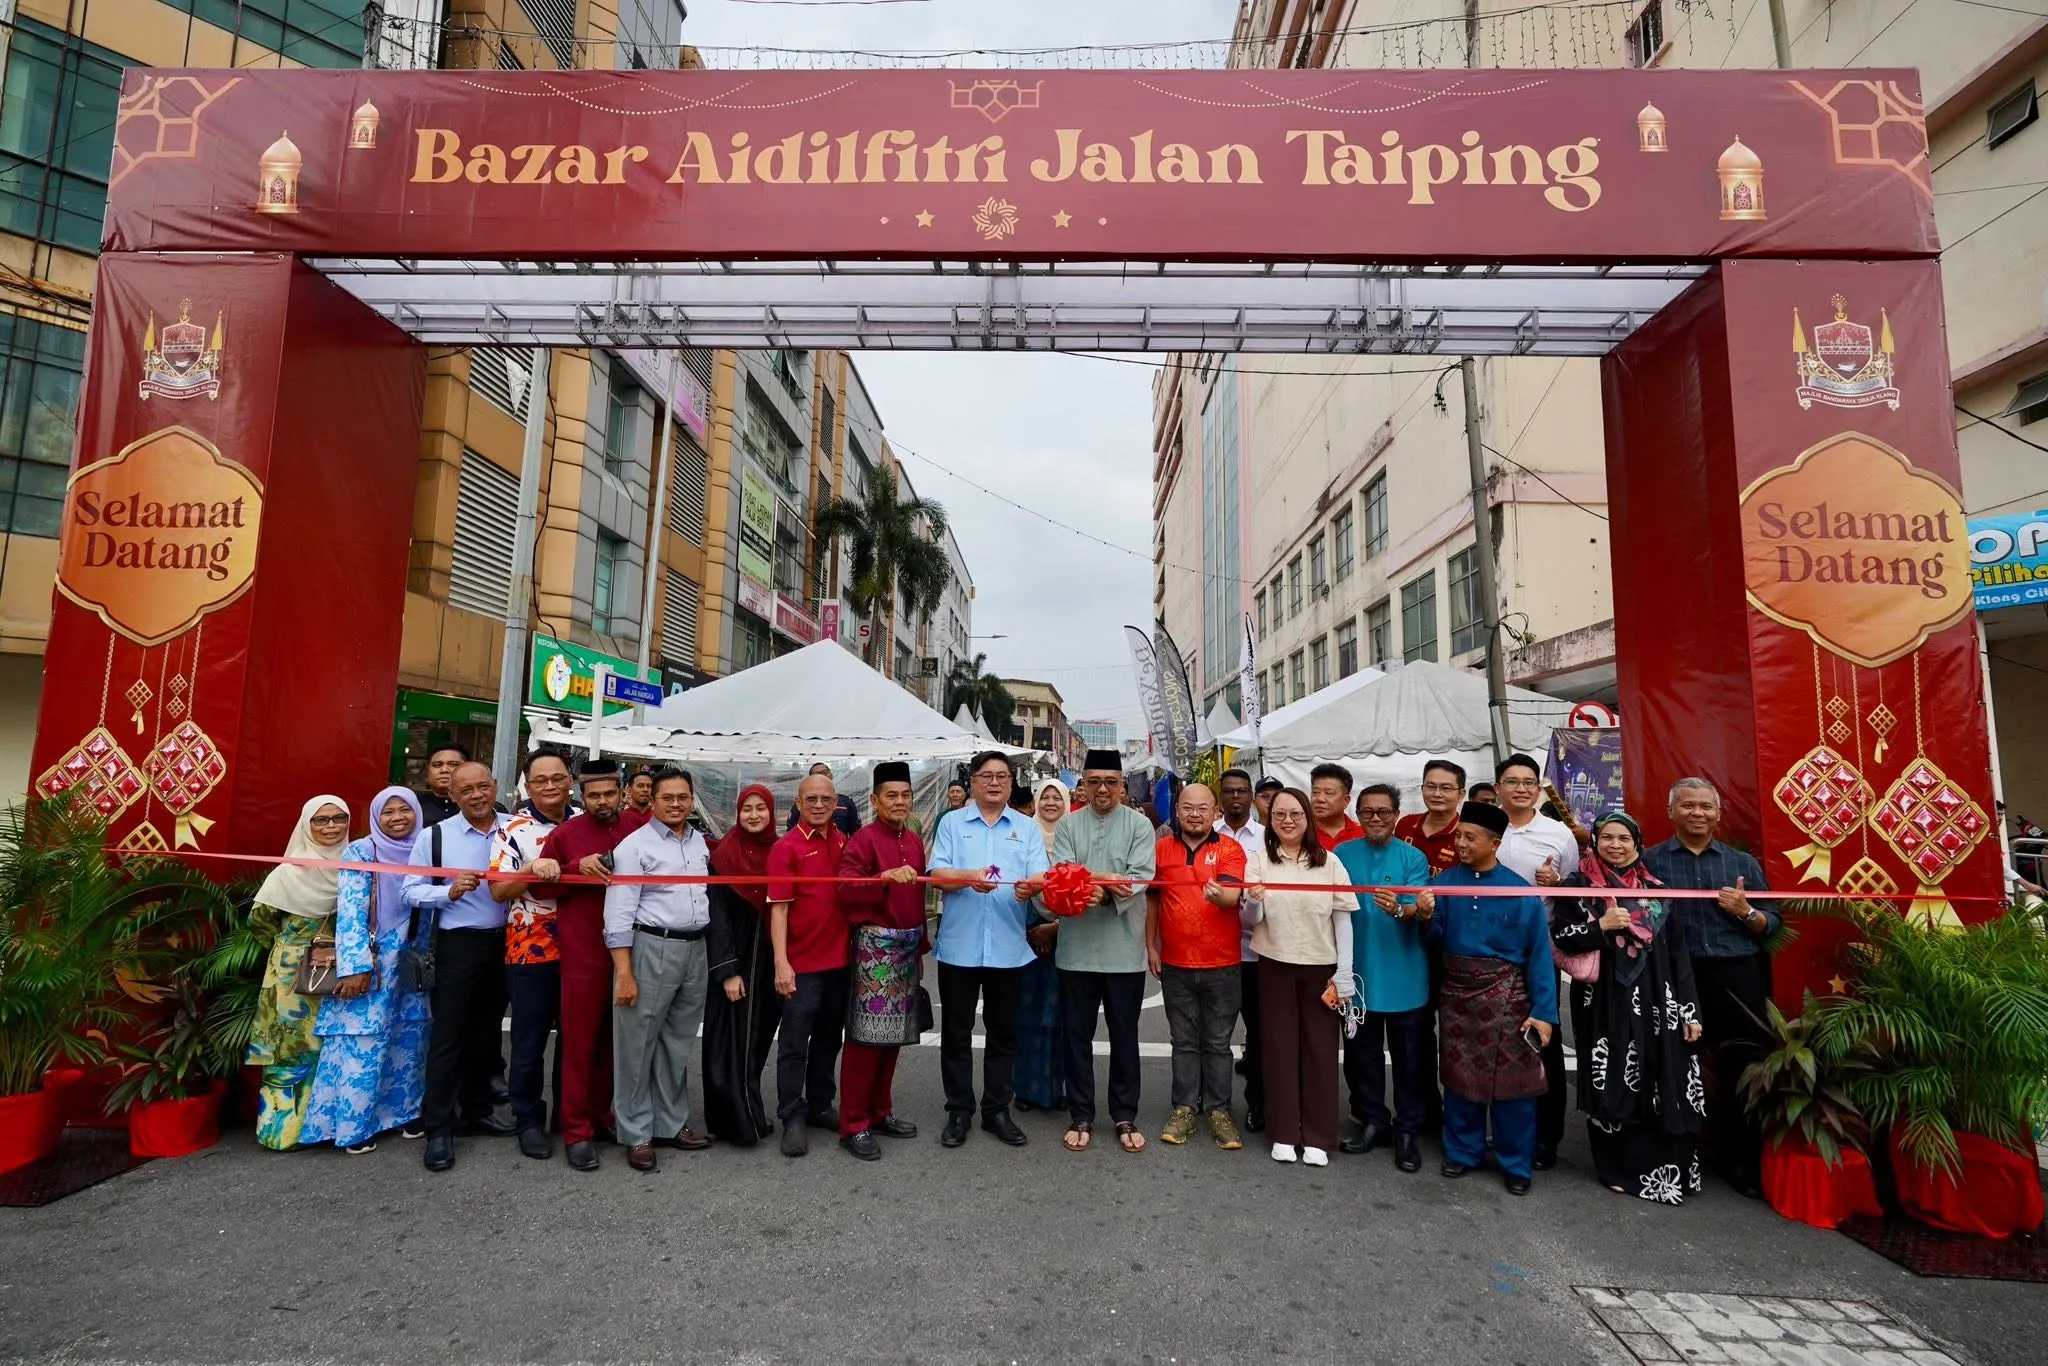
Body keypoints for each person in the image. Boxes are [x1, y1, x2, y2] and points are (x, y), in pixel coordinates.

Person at [1555, 810, 1707, 1204]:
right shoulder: (1577, 885)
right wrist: (1600, 927)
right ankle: (1618, 1170)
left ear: (1637, 844)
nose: (1616, 845)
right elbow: (1559, 937)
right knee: (1612, 1081)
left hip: (1660, 1001)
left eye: (1624, 838)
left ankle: (1668, 1173)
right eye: (1607, 837)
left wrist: (1690, 1011)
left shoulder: (1658, 889)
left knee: (1662, 1078)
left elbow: (1679, 956)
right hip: (1603, 1002)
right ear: (1595, 841)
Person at [1641, 776, 1777, 1198]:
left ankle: (1740, 1162)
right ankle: (1677, 1155)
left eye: (1706, 806)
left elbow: (1772, 924)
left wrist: (1745, 911)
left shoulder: (1742, 864)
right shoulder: (1650, 862)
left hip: (1735, 974)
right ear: (1671, 812)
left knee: (1742, 1068)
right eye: (1688, 805)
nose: (1697, 813)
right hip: (1674, 976)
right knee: (1672, 1064)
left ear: (1718, 813)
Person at [1427, 800, 1557, 1196]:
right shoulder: (1446, 883)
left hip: (1510, 998)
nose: (1461, 844)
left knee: (1514, 1087)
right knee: (1459, 1078)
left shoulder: (1519, 891)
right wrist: (1424, 917)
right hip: (1458, 996)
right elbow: (1433, 940)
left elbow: (1539, 956)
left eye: (1470, 837)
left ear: (1494, 843)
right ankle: (1462, 1152)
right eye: (1459, 836)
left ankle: (1514, 1162)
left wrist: (1544, 1012)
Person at [928, 749, 1048, 1149]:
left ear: (1011, 784)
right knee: (956, 1034)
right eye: (986, 776)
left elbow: (1040, 874)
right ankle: (959, 1110)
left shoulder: (1026, 828)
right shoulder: (952, 823)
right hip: (959, 947)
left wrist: (1032, 885)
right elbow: (937, 875)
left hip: (1008, 948)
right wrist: (966, 877)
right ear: (973, 782)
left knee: (1003, 1034)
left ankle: (997, 1109)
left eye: (1002, 776)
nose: (995, 782)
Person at [303, 787, 430, 1154]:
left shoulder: (424, 847)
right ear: (375, 817)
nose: (397, 818)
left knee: (410, 1037)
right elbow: (351, 911)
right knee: (363, 1042)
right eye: (387, 812)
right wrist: (355, 966)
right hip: (374, 960)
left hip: (414, 959)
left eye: (404, 810)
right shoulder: (362, 851)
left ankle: (404, 1114)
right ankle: (353, 1127)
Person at [404, 762, 517, 1172]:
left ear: (495, 786)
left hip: (505, 942)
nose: (476, 795)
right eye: (465, 790)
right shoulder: (434, 836)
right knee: (448, 1038)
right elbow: (409, 891)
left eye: (483, 786)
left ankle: (476, 1111)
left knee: (486, 1036)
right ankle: (439, 1128)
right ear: (452, 796)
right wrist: (446, 893)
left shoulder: (515, 829)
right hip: (458, 945)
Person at [535, 757, 645, 1171]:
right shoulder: (565, 835)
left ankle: (604, 1116)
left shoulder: (639, 830)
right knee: (580, 1044)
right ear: (581, 796)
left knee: (616, 1042)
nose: (602, 801)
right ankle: (576, 1130)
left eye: (609, 794)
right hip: (584, 954)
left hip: (634, 951)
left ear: (622, 793)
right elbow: (536, 888)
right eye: (594, 795)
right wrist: (571, 869)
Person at [605, 767, 714, 1172]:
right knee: (636, 1045)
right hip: (651, 948)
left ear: (692, 800)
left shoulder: (698, 841)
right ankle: (636, 1132)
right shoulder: (635, 846)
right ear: (652, 801)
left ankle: (670, 1122)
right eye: (667, 797)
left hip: (694, 949)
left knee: (677, 1042)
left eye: (682, 797)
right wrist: (625, 973)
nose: (676, 804)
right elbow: (618, 914)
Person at [1051, 750, 1159, 1155]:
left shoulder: (1140, 826)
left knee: (1125, 1036)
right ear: (1082, 786)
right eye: (1093, 781)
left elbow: (1139, 876)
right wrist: (1100, 883)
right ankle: (1080, 1114)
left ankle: (1124, 1114)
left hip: (1123, 951)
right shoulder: (1068, 824)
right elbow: (1062, 874)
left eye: (1110, 782)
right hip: (1076, 951)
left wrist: (1104, 890)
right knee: (1075, 1036)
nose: (1102, 789)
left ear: (1123, 787)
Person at [1242, 788, 1354, 1167]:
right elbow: (1251, 920)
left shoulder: (1330, 862)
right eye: (1279, 815)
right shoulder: (1259, 860)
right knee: (1278, 1049)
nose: (1287, 821)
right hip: (1274, 964)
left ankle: (1319, 1135)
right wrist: (1254, 900)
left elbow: (1343, 919)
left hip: (1321, 966)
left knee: (1320, 1051)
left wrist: (1344, 974)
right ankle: (1284, 1132)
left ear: (1308, 818)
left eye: (1295, 814)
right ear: (1269, 820)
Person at [1335, 784, 1434, 1172]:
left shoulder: (1413, 857)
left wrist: (1399, 909)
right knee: (1362, 1058)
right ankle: (1373, 1120)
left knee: (1410, 1061)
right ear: (1357, 815)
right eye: (1368, 812)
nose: (1375, 818)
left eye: (1384, 812)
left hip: (1405, 975)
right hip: (1358, 975)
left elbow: (1418, 910)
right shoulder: (1342, 855)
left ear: (1396, 815)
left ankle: (1407, 1129)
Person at [246, 794, 352, 1150]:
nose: (331, 826)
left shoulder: (356, 867)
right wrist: (291, 948)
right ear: (306, 825)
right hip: (291, 974)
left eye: (339, 818)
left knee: (332, 1046)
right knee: (289, 1048)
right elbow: (260, 921)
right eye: (321, 820)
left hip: (343, 970)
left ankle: (326, 1126)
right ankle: (282, 1134)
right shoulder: (287, 872)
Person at [834, 761, 927, 1160]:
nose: (899, 802)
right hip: (875, 950)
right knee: (865, 1040)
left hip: (907, 947)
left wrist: (921, 944)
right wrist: (883, 878)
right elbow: (845, 888)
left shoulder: (915, 840)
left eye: (905, 795)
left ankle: (880, 1111)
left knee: (894, 1038)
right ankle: (853, 1123)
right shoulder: (863, 840)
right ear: (874, 800)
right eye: (891, 795)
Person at [1491, 753, 1580, 1171]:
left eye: (1529, 782)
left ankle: (1547, 1137)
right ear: (1498, 788)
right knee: (1493, 1040)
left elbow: (1575, 892)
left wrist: (1557, 883)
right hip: (1486, 950)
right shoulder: (1487, 828)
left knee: (1543, 1038)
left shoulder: (1558, 834)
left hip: (1538, 951)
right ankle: (1502, 1130)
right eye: (1512, 781)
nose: (1522, 789)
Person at [1148, 783, 1247, 1151]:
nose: (1194, 814)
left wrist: (1221, 895)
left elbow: (1232, 895)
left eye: (1203, 808)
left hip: (1223, 963)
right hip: (1175, 963)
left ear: (1215, 812)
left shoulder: (1230, 849)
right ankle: (1185, 1108)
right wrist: (1151, 946)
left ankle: (1220, 1111)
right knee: (1184, 1041)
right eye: (1187, 807)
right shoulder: (1161, 849)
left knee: (1218, 1043)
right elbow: (1153, 901)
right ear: (1177, 810)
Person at [487, 749, 574, 1161]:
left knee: (577, 1041)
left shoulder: (585, 821)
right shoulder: (512, 829)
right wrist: (531, 869)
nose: (550, 786)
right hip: (530, 950)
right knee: (528, 1043)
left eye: (558, 777)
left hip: (583, 947)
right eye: (541, 780)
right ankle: (528, 1120)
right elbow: (497, 891)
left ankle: (569, 1117)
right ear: (527, 785)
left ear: (570, 780)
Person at [767, 771, 852, 1157]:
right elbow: (779, 910)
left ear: (837, 804)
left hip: (839, 963)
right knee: (793, 1045)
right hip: (801, 965)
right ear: (798, 803)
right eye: (811, 799)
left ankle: (819, 1104)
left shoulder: (843, 841)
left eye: (826, 799)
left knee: (829, 1039)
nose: (819, 805)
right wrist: (781, 963)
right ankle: (792, 1115)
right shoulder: (786, 848)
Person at [703, 784, 783, 1146]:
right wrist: (728, 971)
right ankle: (736, 1121)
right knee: (730, 1042)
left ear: (771, 812)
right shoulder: (725, 855)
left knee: (757, 1039)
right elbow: (716, 917)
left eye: (760, 808)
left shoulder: (780, 851)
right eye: (746, 809)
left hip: (768, 962)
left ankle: (751, 1111)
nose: (753, 815)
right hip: (736, 962)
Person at [1014, 777, 1070, 1113]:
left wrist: (1056, 927)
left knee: (1059, 1017)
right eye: (1045, 797)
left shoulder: (1074, 836)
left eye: (1057, 797)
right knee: (1026, 1012)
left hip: (1067, 934)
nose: (1050, 803)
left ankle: (1054, 1090)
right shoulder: (1023, 834)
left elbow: (1080, 885)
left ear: (1066, 802)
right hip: (1025, 931)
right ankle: (1024, 1089)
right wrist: (1036, 928)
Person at [1216, 768, 1267, 1130]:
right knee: (1213, 1035)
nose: (1236, 796)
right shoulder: (1207, 833)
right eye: (1229, 791)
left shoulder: (1267, 838)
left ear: (1251, 796)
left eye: (1242, 791)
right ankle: (1211, 1101)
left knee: (1260, 1035)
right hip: (1215, 953)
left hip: (1256, 953)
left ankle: (1258, 1104)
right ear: (1220, 797)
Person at [1397, 760, 1466, 876]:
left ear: (1461, 794)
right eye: (1431, 787)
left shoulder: (1467, 835)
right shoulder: (1405, 825)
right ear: (1422, 789)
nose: (1437, 794)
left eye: (1446, 788)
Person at [785, 761, 861, 838]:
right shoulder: (802, 803)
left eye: (824, 772)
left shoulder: (846, 803)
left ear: (831, 775)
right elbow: (791, 831)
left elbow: (856, 833)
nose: (819, 805)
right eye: (816, 774)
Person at [1308, 762, 1364, 851]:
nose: (1320, 799)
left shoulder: (1362, 834)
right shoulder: (1301, 832)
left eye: (1329, 793)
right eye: (1315, 792)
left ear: (1346, 800)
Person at [417, 744, 465, 825]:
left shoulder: (479, 806)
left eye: (453, 764)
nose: (444, 770)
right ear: (427, 771)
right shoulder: (414, 806)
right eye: (437, 765)